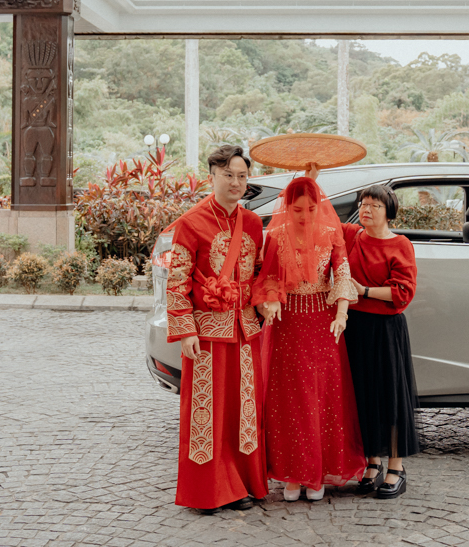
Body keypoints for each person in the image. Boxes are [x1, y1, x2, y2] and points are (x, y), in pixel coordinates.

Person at [165, 145, 268, 513]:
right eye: (228, 175)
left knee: (243, 412)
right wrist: (185, 330)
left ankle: (241, 484)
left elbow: (259, 274)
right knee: (206, 413)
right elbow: (177, 281)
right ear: (212, 177)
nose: (236, 182)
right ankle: (208, 492)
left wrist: (265, 299)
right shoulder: (191, 223)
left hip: (245, 331)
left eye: (242, 176)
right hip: (206, 334)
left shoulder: (253, 224)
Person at [255, 174, 364, 502]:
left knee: (321, 396)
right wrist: (270, 300)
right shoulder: (276, 235)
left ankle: (317, 472)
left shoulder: (331, 233)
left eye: (311, 209)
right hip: (286, 323)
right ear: (287, 208)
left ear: (320, 207)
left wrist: (342, 314)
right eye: (297, 209)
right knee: (289, 399)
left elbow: (342, 274)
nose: (304, 215)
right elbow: (268, 275)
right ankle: (293, 473)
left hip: (323, 323)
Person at [340, 184, 419, 499]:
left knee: (390, 397)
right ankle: (372, 462)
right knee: (363, 396)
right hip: (355, 327)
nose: (367, 209)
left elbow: (404, 291)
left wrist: (365, 291)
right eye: (363, 203)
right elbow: (319, 217)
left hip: (386, 328)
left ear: (389, 212)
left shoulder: (400, 244)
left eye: (375, 205)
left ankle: (396, 468)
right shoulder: (351, 236)